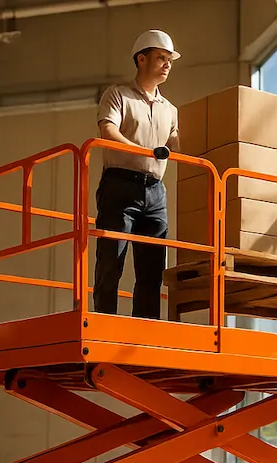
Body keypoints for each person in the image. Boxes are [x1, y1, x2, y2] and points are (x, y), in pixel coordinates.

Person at [93, 30, 181, 318]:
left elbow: (176, 144)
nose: (167, 64)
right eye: (161, 58)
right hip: (120, 185)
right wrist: (143, 151)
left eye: (170, 60)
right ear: (141, 59)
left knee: (152, 269)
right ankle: (105, 323)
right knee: (111, 260)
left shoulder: (170, 110)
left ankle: (146, 330)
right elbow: (108, 130)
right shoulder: (118, 95)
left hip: (155, 191)